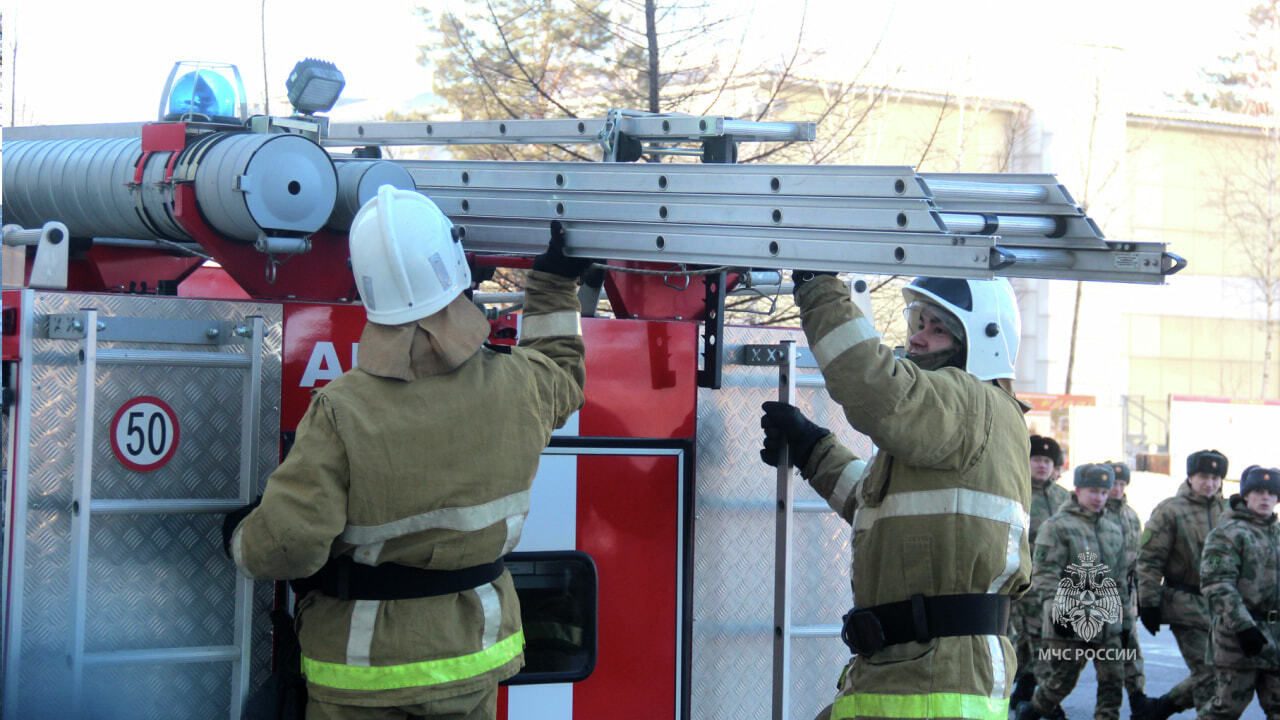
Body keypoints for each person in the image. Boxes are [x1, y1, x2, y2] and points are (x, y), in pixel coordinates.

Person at [221, 187, 590, 720]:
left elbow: (290, 548)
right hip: (474, 656)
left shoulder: (343, 410)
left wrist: (239, 536)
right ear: (454, 266)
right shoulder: (520, 385)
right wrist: (555, 283)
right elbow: (563, 370)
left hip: (361, 674)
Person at [760, 273, 1031, 720]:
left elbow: (872, 384)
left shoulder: (971, 402)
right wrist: (813, 450)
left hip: (932, 677)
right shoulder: (952, 423)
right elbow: (874, 506)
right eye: (918, 322)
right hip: (905, 668)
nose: (918, 338)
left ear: (981, 341)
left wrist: (817, 284)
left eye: (938, 327)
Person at [1015, 463, 1130, 720]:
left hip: (1106, 617)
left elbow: (1120, 579)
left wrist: (1126, 624)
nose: (1099, 498)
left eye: (1104, 492)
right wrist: (1059, 613)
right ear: (1077, 490)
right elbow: (1045, 574)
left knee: (1113, 679)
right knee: (1061, 681)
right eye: (1092, 491)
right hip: (1070, 615)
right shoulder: (1057, 526)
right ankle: (1031, 712)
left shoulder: (1113, 529)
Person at [1136, 449, 1230, 720]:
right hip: (1185, 604)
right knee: (1209, 673)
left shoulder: (1229, 511)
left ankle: (1159, 709)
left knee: (1222, 671)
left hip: (1223, 607)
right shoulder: (1170, 511)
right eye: (1203, 476)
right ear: (1190, 477)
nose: (1209, 483)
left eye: (1215, 477)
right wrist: (1149, 602)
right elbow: (1150, 561)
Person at [1199, 465, 1280, 719]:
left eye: (1271, 492)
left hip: (1276, 640)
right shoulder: (1228, 533)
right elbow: (1217, 583)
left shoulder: (1277, 535)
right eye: (1258, 491)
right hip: (1239, 639)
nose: (1265, 497)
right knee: (1225, 711)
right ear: (1245, 495)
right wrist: (1243, 627)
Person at [1010, 436, 1072, 707]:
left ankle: (1024, 687)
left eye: (1047, 461)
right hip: (1023, 577)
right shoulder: (1014, 489)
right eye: (1037, 460)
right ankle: (1043, 702)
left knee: (1031, 640)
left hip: (1056, 581)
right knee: (1036, 637)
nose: (1042, 466)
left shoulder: (1064, 498)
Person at [1103, 461, 1149, 717]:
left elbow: (1138, 559)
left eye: (1122, 484)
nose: (1117, 489)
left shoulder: (1131, 516)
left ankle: (1137, 697)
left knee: (1130, 649)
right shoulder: (1096, 512)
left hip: (1125, 596)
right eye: (1113, 484)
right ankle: (1041, 701)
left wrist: (1140, 596)